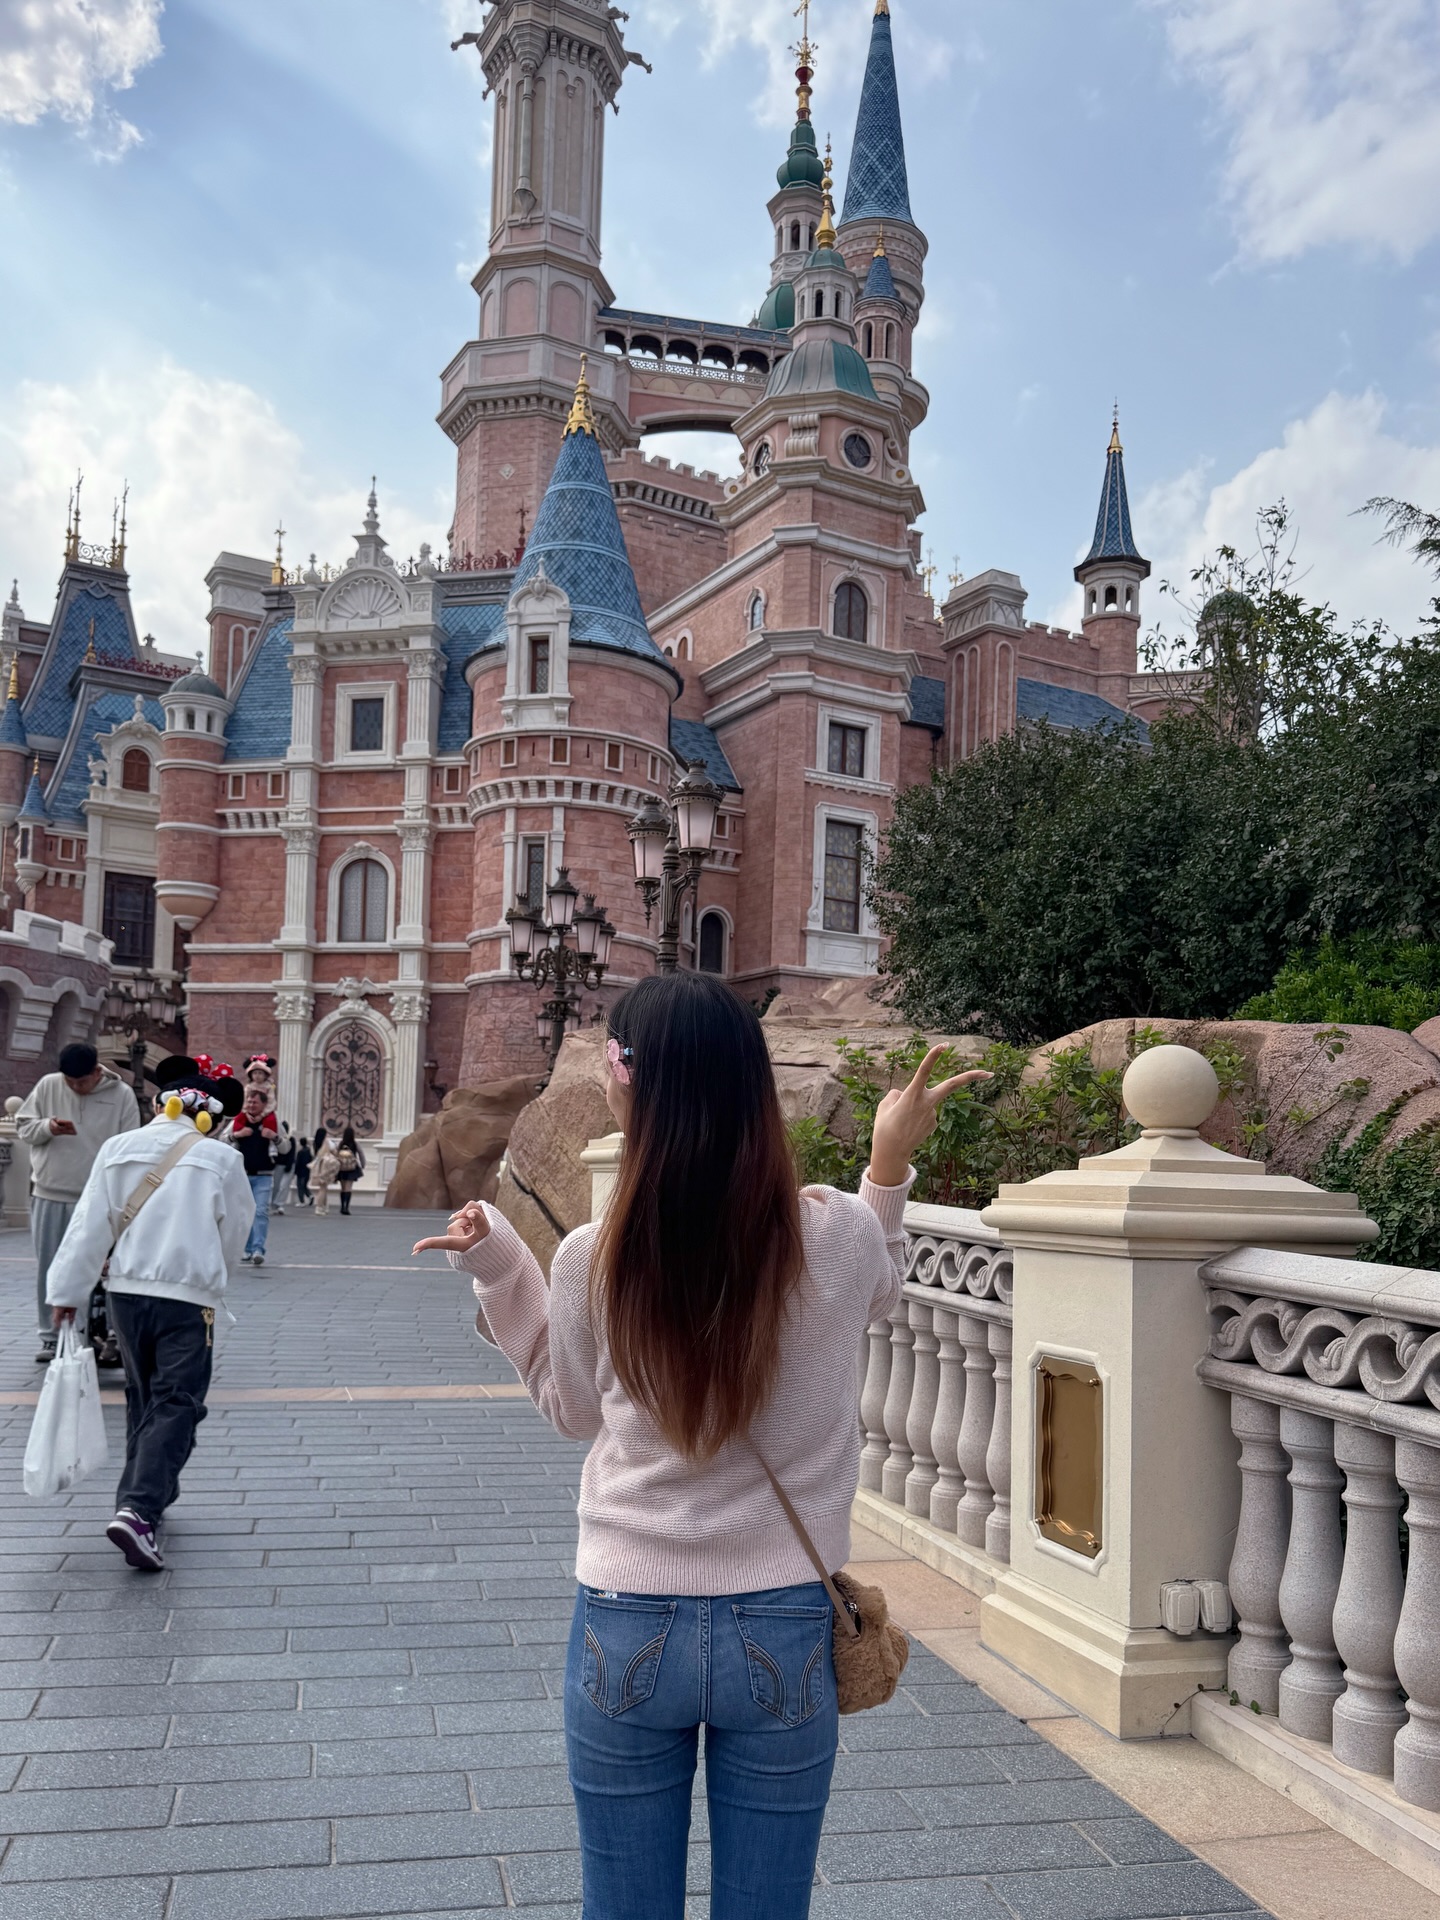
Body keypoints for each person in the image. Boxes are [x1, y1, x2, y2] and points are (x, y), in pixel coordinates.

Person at [414, 972, 989, 1920]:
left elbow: (573, 1410)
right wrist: (888, 1164)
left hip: (627, 1614)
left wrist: (501, 1269)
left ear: (624, 1079)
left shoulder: (591, 1257)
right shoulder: (837, 1235)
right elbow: (878, 1289)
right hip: (786, 1616)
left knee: (624, 1904)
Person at [45, 1056, 252, 1572]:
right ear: (211, 1118)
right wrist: (216, 1280)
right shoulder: (221, 1159)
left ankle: (148, 1493)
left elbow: (89, 1225)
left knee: (143, 1395)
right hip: (187, 1297)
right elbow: (234, 1233)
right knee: (177, 1400)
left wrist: (66, 1294)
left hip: (126, 1293)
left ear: (161, 1105)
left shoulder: (118, 1148)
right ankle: (139, 1509)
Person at [17, 1042, 142, 1364]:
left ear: (97, 1072)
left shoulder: (122, 1095)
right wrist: (48, 1127)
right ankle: (51, 1337)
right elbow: (24, 1127)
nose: (74, 1087)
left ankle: (101, 1335)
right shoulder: (48, 1085)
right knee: (50, 1268)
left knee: (102, 1269)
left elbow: (130, 1145)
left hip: (99, 1197)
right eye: (69, 1081)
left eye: (81, 1082)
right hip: (50, 1192)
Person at [230, 1087, 279, 1265]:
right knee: (245, 1213)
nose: (251, 1105)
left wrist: (275, 1137)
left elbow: (286, 1147)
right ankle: (248, 1248)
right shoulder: (239, 1120)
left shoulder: (271, 1120)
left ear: (264, 1104)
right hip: (243, 1174)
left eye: (255, 1102)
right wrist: (237, 1134)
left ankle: (258, 1249)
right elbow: (223, 1139)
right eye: (249, 1101)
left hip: (264, 1175)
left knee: (260, 1212)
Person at [335, 1126, 364, 1215]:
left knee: (343, 1188)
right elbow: (361, 1154)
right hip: (352, 1168)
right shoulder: (355, 1143)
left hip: (341, 1168)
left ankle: (342, 1206)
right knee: (348, 1187)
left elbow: (336, 1154)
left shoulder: (341, 1143)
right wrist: (363, 1164)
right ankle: (346, 1207)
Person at [311, 1130, 339, 1217]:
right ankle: (319, 1207)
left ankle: (324, 1206)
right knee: (323, 1189)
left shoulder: (315, 1143)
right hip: (326, 1167)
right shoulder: (327, 1142)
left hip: (318, 1166)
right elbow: (335, 1152)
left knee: (323, 1187)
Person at [271, 1120, 297, 1212]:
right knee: (276, 1186)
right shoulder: (275, 1139)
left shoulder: (291, 1139)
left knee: (284, 1186)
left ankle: (280, 1204)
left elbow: (292, 1153)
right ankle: (273, 1203)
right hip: (278, 1165)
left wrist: (289, 1164)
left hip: (288, 1165)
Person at [293, 1130, 314, 1208]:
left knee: (300, 1186)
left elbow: (298, 1162)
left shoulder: (300, 1152)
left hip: (300, 1171)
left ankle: (302, 1201)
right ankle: (310, 1195)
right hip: (307, 1170)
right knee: (304, 1185)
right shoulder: (309, 1151)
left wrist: (295, 1171)